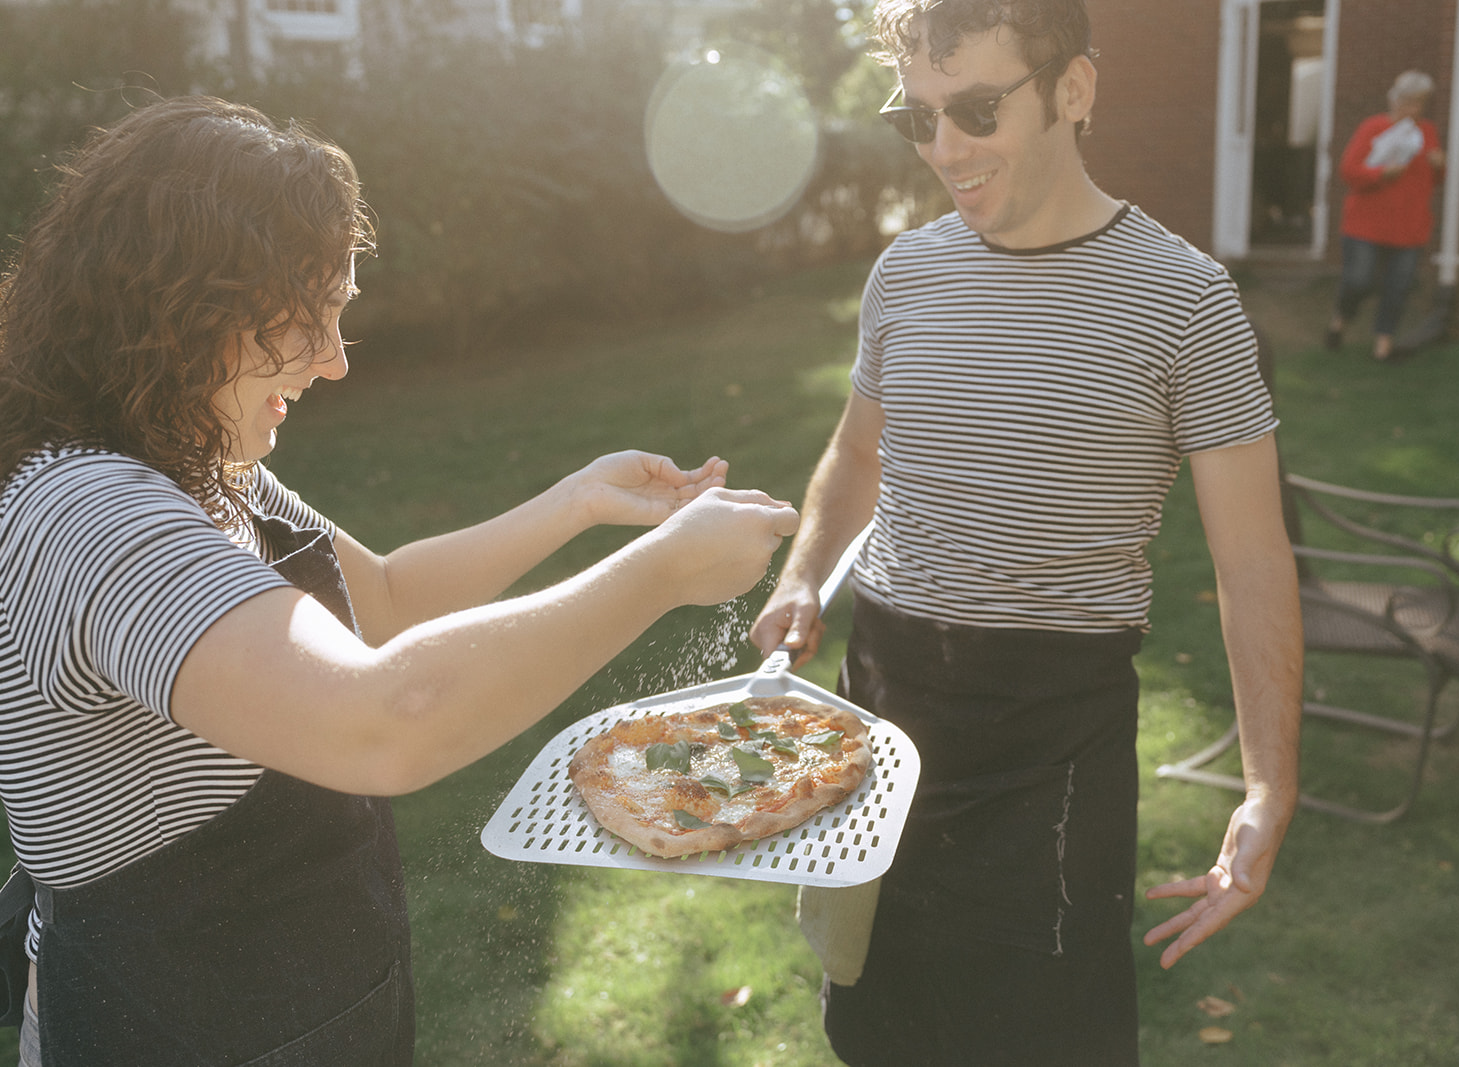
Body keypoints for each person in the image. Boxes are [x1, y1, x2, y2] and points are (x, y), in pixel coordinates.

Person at [0, 95, 799, 1066]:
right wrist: (661, 573)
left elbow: (376, 598)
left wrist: (578, 501)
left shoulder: (202, 463)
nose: (335, 363)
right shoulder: (89, 514)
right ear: (193, 304)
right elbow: (383, 717)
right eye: (313, 319)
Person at [748, 1, 1302, 1063]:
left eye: (977, 110)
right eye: (919, 118)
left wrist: (1269, 782)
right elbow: (858, 453)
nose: (946, 149)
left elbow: (1251, 562)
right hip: (884, 713)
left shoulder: (1188, 304)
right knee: (876, 1026)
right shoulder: (903, 275)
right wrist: (806, 570)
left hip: (1053, 748)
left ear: (1074, 90)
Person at [1324, 70, 1446, 362]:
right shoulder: (1373, 127)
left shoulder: (1426, 132)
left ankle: (1383, 346)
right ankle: (1339, 322)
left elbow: (1433, 180)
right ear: (1393, 99)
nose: (1410, 109)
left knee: (1398, 287)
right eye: (1405, 102)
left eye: (1417, 104)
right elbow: (1348, 171)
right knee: (1359, 280)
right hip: (1365, 223)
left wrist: (1440, 165)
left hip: (1409, 226)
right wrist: (1381, 174)